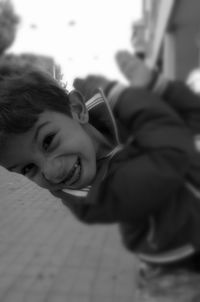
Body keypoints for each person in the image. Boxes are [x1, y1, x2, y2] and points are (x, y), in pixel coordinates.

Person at [0, 63, 198, 275]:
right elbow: (172, 156)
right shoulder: (93, 197)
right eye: (28, 168)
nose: (52, 172)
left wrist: (162, 88)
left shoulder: (118, 115)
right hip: (179, 266)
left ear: (77, 109)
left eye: (48, 141)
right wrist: (134, 94)